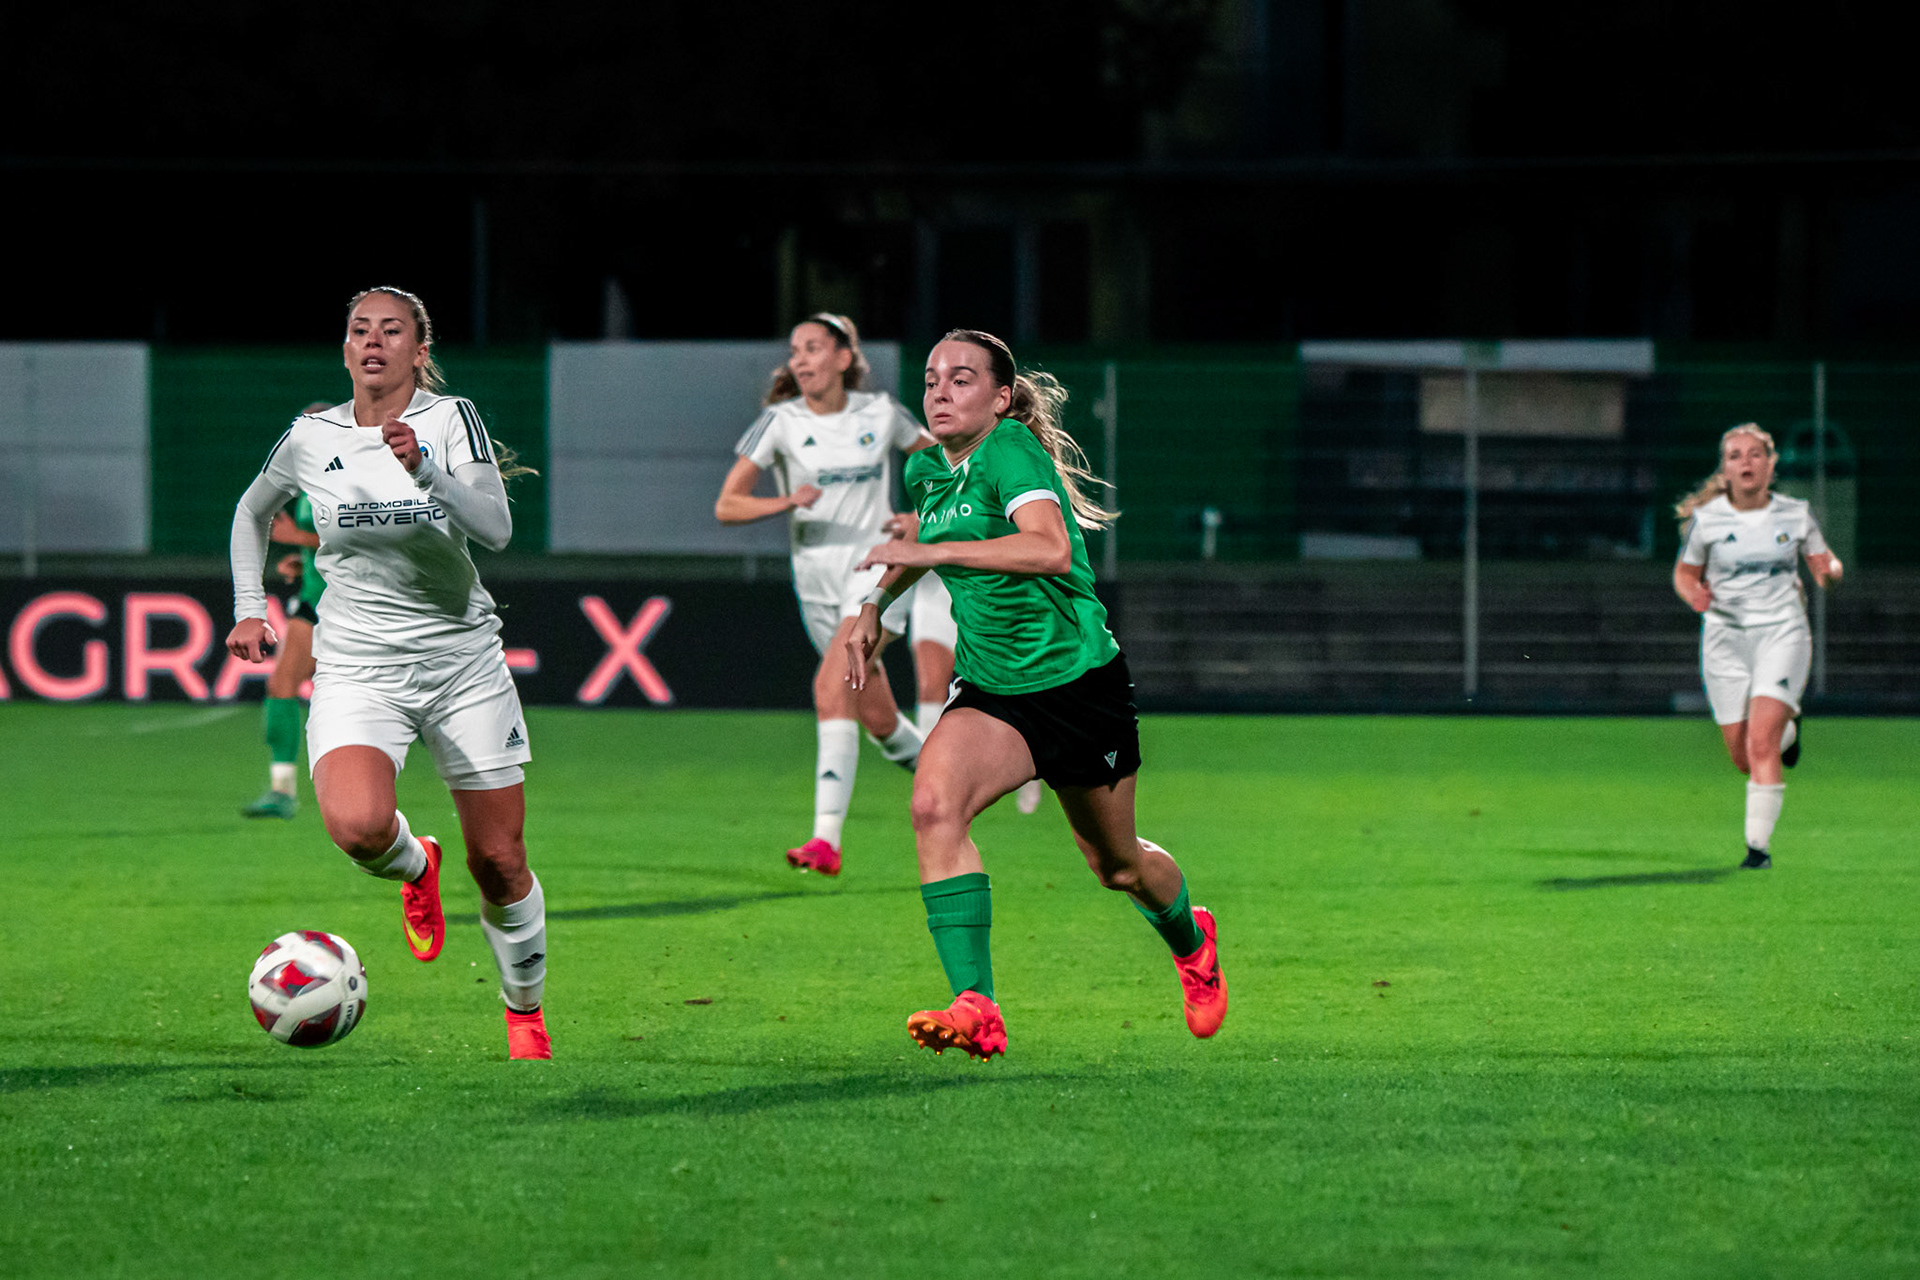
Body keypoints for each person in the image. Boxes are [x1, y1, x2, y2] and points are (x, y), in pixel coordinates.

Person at [848, 328, 1227, 1059]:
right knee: (933, 805)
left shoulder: (1012, 451)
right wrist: (877, 604)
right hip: (995, 691)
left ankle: (1192, 940)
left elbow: (1047, 547)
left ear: (998, 399)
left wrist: (926, 552)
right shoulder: (929, 469)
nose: (940, 391)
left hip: (1079, 687)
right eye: (931, 379)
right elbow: (931, 537)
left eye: (962, 379)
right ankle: (977, 1005)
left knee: (1117, 867)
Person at [226, 286, 552, 1060]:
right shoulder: (311, 436)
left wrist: (429, 472)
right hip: (359, 666)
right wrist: (249, 607)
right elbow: (249, 512)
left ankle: (524, 1013)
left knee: (501, 863)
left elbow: (498, 529)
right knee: (358, 827)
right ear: (345, 350)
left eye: (392, 330)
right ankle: (416, 862)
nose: (373, 341)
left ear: (418, 351)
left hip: (460, 663)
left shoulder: (448, 419)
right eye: (359, 330)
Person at [715, 312, 935, 875]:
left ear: (843, 358)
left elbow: (944, 466)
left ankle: (825, 841)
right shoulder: (779, 422)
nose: (801, 360)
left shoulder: (881, 413)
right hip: (815, 580)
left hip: (879, 572)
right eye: (795, 351)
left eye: (813, 348)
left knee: (830, 682)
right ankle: (948, 777)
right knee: (877, 715)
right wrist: (784, 503)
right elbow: (728, 505)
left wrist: (918, 519)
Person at [1673, 422, 1843, 869]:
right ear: (1724, 470)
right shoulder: (1707, 521)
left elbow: (1821, 560)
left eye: (1754, 454)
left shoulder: (1795, 513)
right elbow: (1686, 573)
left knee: (1761, 744)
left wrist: (1830, 571)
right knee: (1744, 756)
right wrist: (1694, 593)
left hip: (1782, 633)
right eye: (1735, 456)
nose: (1745, 462)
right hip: (1725, 640)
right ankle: (1791, 729)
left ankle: (1757, 850)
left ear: (1770, 465)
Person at [242, 407, 332, 819]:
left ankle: (283, 792)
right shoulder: (311, 478)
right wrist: (301, 558)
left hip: (334, 602)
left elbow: (360, 534)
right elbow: (329, 543)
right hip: (317, 594)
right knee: (283, 686)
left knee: (282, 686)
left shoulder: (342, 478)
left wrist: (299, 537)